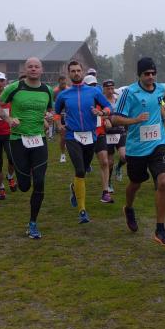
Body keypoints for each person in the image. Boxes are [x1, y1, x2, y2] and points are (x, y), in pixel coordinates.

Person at [111, 57, 165, 246]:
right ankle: (129, 208)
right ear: (139, 75)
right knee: (135, 183)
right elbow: (115, 119)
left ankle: (160, 229)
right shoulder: (129, 93)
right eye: (147, 73)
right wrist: (135, 120)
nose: (151, 77)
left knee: (163, 181)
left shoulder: (161, 89)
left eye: (153, 73)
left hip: (158, 144)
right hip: (137, 148)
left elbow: (164, 97)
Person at [0, 58, 54, 239]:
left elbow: (49, 111)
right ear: (25, 70)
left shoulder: (47, 90)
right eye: (30, 66)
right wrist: (8, 119)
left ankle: (33, 223)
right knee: (25, 186)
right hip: (18, 140)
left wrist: (48, 118)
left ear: (41, 70)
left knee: (40, 182)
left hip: (39, 139)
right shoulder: (14, 87)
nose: (33, 69)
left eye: (36, 66)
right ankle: (20, 178)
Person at [54, 62, 112, 223]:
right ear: (69, 74)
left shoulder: (94, 91)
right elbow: (56, 112)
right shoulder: (64, 95)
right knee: (79, 170)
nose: (76, 73)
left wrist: (101, 112)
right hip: (72, 136)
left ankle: (74, 187)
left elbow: (108, 107)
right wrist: (58, 125)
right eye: (73, 71)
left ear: (83, 72)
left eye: (78, 70)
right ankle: (82, 211)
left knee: (84, 170)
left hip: (90, 136)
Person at [87, 74, 115, 203]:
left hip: (100, 134)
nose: (93, 87)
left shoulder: (99, 97)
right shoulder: (81, 99)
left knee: (104, 162)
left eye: (94, 85)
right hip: (85, 135)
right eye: (90, 85)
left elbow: (109, 108)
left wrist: (106, 118)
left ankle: (105, 192)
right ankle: (75, 187)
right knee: (82, 168)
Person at [102, 80, 127, 185]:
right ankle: (108, 182)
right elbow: (97, 114)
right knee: (110, 162)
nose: (110, 91)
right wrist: (105, 119)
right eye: (108, 89)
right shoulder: (100, 101)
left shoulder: (118, 99)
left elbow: (124, 112)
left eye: (112, 88)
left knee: (124, 156)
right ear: (104, 89)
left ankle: (119, 167)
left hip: (120, 131)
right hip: (107, 133)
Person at [53, 75, 69, 162]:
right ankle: (63, 155)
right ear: (59, 82)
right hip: (60, 115)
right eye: (62, 81)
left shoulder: (69, 90)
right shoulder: (55, 91)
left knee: (72, 136)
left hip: (70, 115)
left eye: (64, 81)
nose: (63, 83)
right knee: (62, 136)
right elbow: (52, 102)